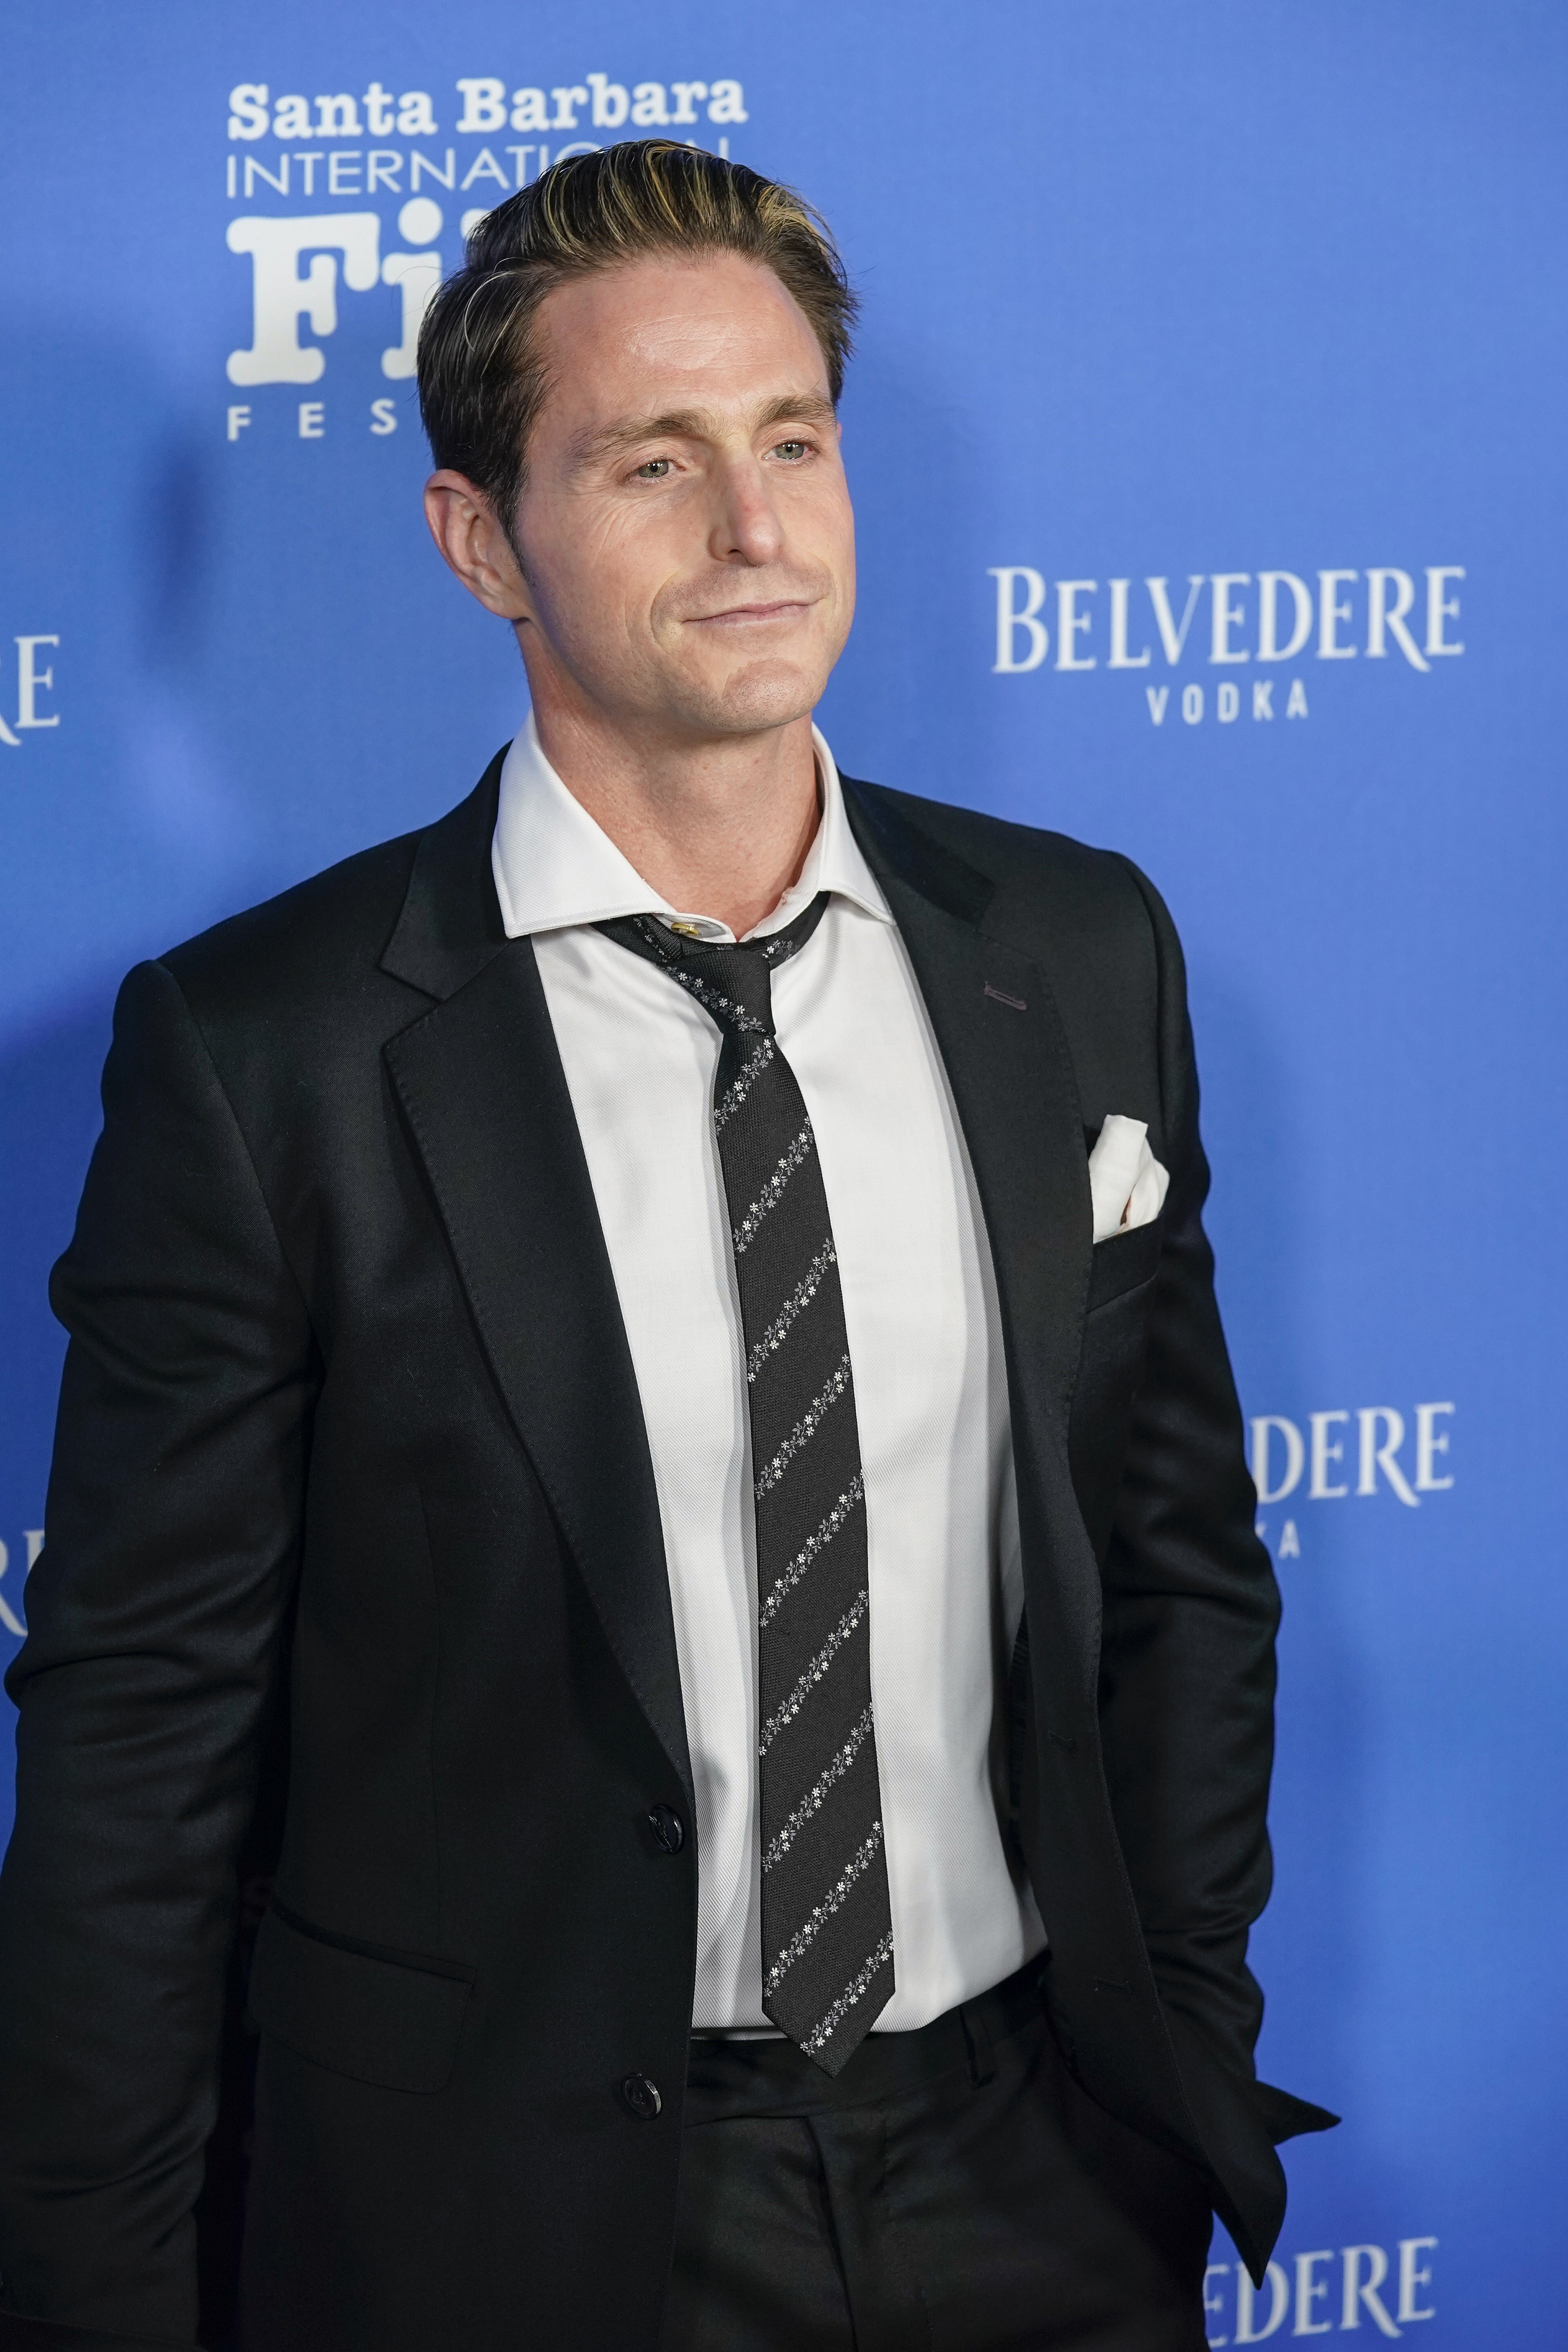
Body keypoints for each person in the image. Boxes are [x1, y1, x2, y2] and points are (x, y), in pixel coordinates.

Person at [0, 142, 1332, 2352]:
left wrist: (1169, 2033)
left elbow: (1179, 1561)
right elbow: (140, 1745)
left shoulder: (1076, 953)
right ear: (477, 543)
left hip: (1043, 2176)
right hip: (503, 2227)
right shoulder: (268, 1055)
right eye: (652, 461)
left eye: (793, 440)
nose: (754, 530)